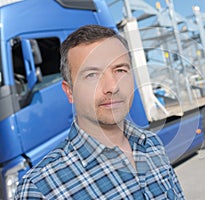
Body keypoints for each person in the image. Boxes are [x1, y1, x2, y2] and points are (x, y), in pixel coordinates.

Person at [15, 25, 185, 199]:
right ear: (70, 92)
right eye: (92, 75)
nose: (112, 86)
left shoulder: (152, 144)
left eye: (120, 70)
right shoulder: (39, 190)